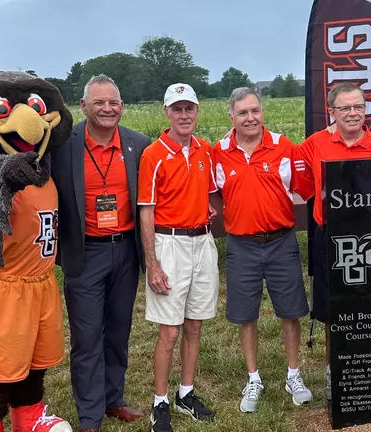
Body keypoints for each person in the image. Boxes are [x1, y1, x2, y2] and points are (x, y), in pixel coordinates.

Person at [50, 74, 152, 432]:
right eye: (99, 103)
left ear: (122, 107)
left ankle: (114, 398)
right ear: (84, 106)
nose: (107, 109)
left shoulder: (139, 145)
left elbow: (156, 197)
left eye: (113, 103)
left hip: (126, 250)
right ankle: (90, 415)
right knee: (87, 335)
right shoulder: (63, 146)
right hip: (85, 254)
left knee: (118, 330)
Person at [210, 87, 316, 413]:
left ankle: (293, 375)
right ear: (231, 117)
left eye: (255, 110)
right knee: (245, 314)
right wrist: (223, 210)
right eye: (243, 112)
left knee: (291, 310)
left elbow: (305, 186)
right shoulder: (219, 152)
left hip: (282, 242)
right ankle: (253, 378)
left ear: (262, 112)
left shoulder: (284, 146)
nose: (250, 117)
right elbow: (213, 191)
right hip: (241, 244)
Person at [296, 82, 371, 400]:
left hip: (368, 237)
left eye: (358, 107)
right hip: (331, 238)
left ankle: (368, 371)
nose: (353, 113)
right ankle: (334, 371)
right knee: (332, 310)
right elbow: (305, 184)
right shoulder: (314, 144)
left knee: (368, 307)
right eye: (345, 108)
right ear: (332, 112)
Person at [137, 83, 219, 432]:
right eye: (177, 109)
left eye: (190, 109)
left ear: (197, 111)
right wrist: (152, 262)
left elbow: (213, 195)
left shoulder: (205, 150)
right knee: (170, 331)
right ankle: (160, 402)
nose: (184, 115)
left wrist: (207, 209)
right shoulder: (154, 154)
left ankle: (186, 393)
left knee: (195, 323)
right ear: (166, 112)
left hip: (202, 242)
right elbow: (146, 211)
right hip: (169, 244)